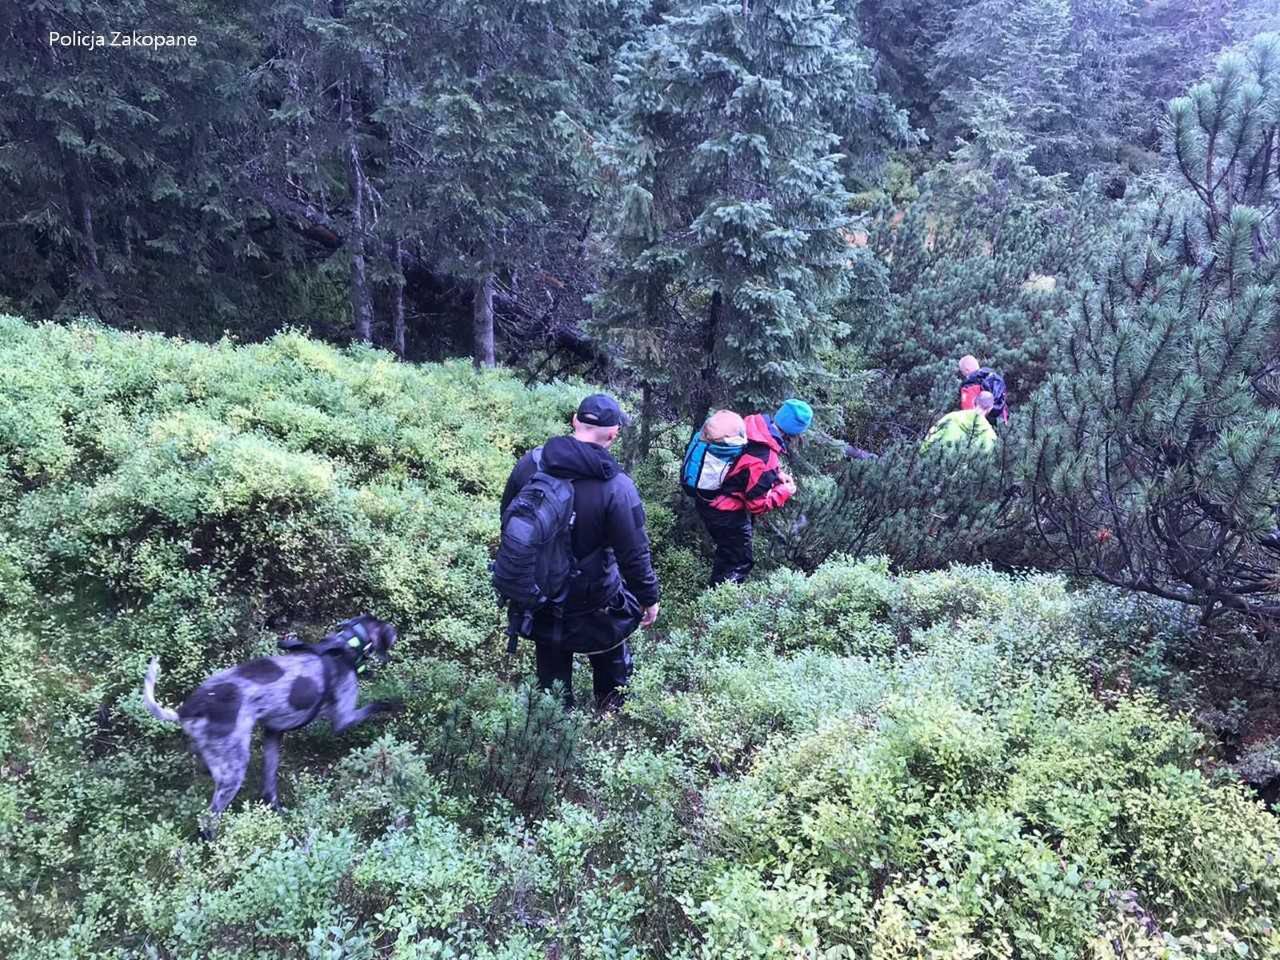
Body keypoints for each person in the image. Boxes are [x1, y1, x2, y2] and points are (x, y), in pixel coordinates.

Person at [499, 394, 660, 710]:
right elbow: (634, 555)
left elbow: (508, 517)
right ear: (613, 435)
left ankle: (555, 727)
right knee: (612, 662)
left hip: (539, 594)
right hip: (595, 599)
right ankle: (610, 714)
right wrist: (649, 598)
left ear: (574, 420)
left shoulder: (530, 463)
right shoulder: (617, 486)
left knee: (552, 683)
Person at [693, 398, 812, 586]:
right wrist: (784, 491)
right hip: (725, 512)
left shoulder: (751, 424)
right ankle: (718, 606)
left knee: (728, 552)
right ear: (796, 432)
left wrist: (777, 474)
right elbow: (756, 506)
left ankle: (715, 590)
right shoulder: (766, 457)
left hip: (708, 497)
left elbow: (745, 463)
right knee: (738, 562)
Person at [923, 390, 998, 454]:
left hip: (938, 466)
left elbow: (931, 437)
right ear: (990, 408)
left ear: (974, 401)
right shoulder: (990, 435)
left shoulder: (951, 417)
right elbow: (987, 460)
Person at [958, 355, 1009, 424]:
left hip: (982, 427)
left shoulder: (970, 384)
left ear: (967, 369)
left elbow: (969, 413)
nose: (964, 375)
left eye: (962, 372)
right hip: (1001, 424)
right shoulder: (995, 378)